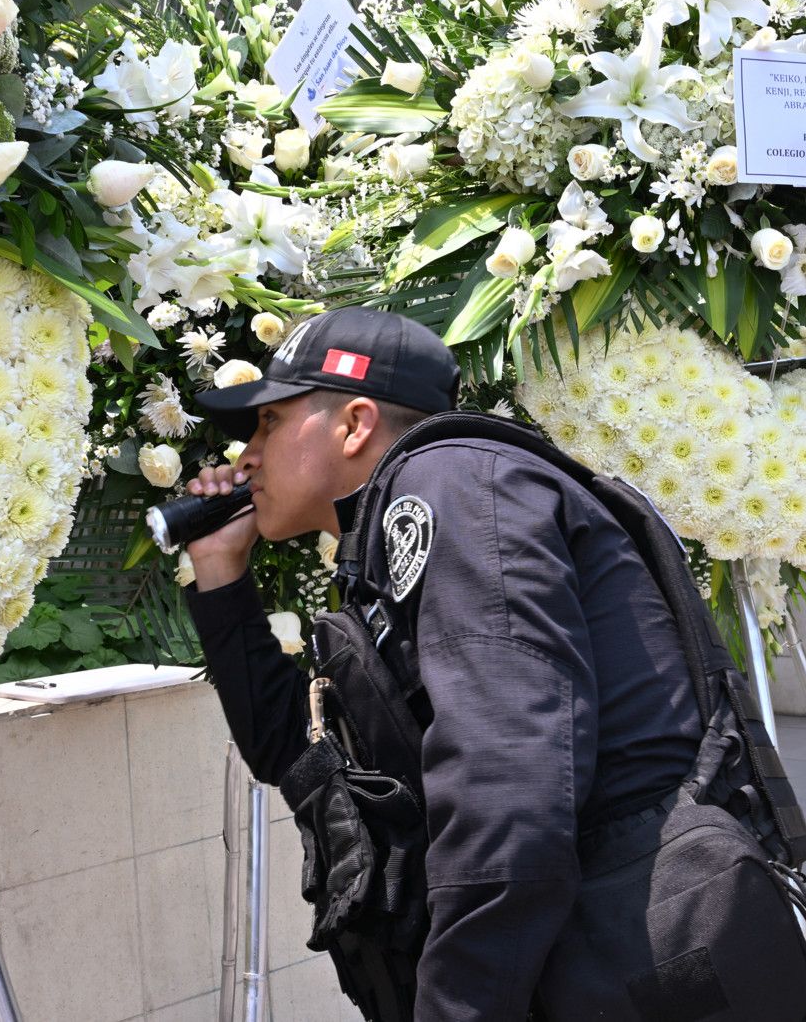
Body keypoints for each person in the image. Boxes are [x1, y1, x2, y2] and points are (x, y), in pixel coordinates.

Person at [179, 307, 707, 1021]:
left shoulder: (451, 488)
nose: (245, 457)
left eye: (270, 423)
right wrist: (219, 572)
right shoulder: (392, 537)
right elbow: (300, 761)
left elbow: (508, 794)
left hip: (623, 972)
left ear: (354, 424)